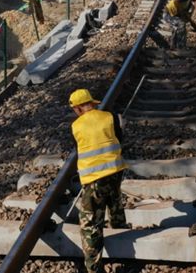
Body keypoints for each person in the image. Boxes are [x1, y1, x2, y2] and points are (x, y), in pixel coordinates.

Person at [69, 88, 128, 273]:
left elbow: (79, 147)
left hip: (94, 179)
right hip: (115, 171)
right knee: (115, 202)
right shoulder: (109, 116)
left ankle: (93, 268)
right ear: (92, 103)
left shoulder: (76, 126)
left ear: (78, 108)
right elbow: (119, 139)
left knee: (90, 223)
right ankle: (122, 242)